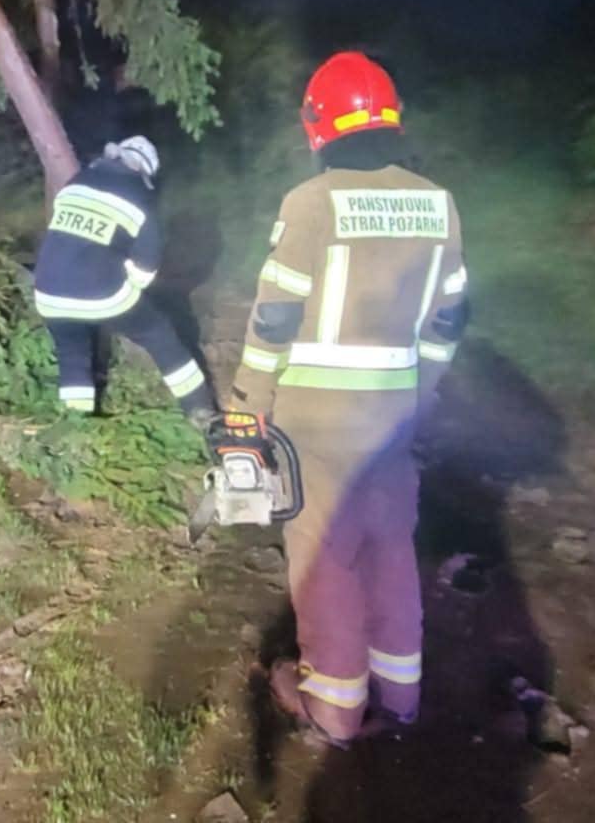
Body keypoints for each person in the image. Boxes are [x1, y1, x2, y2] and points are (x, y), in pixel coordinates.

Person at [227, 52, 467, 747]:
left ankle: (333, 705)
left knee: (324, 555)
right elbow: (450, 318)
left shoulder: (310, 203)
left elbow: (275, 318)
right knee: (391, 542)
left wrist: (248, 406)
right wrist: (421, 393)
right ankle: (401, 692)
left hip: (317, 421)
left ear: (317, 126)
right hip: (394, 415)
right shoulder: (438, 203)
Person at [33, 135, 215, 421]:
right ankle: (200, 409)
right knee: (160, 335)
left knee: (72, 353)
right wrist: (126, 281)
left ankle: (76, 426)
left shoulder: (75, 184)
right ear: (142, 171)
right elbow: (145, 269)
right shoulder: (138, 198)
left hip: (48, 292)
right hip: (102, 294)